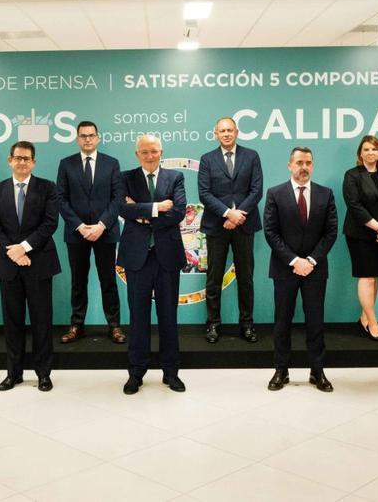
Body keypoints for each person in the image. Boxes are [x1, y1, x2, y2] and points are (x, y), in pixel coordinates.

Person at [263, 147, 338, 393]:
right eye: (298, 162)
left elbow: (330, 232)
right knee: (282, 322)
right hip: (285, 269)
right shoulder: (275, 193)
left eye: (308, 162)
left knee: (315, 322)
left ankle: (317, 371)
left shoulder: (326, 195)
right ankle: (280, 370)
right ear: (289, 165)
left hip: (315, 270)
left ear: (312, 166)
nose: (303, 167)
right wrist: (295, 261)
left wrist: (312, 261)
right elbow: (271, 232)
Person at [118, 135, 188, 395]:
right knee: (138, 317)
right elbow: (122, 209)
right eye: (145, 152)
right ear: (137, 154)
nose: (150, 156)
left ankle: (171, 372)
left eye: (154, 151)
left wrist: (143, 214)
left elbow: (179, 211)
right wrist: (158, 207)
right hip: (137, 256)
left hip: (166, 255)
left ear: (162, 152)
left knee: (168, 316)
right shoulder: (125, 178)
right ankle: (136, 372)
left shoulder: (175, 177)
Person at [0, 142, 61, 392]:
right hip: (9, 265)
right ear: (10, 160)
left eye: (27, 158)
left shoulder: (47, 188)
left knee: (42, 321)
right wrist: (14, 252)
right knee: (12, 322)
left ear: (34, 162)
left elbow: (50, 223)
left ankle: (43, 373)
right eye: (18, 158)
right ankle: (14, 373)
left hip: (39, 262)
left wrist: (25, 247)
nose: (22, 162)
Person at [56, 121, 126, 345]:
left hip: (105, 232)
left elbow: (117, 199)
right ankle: (77, 325)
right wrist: (80, 226)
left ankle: (114, 325)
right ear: (77, 138)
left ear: (98, 138)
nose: (87, 139)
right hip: (77, 233)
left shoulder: (111, 163)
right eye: (83, 136)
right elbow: (61, 199)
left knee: (108, 281)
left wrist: (101, 225)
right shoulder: (66, 164)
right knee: (78, 281)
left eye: (91, 135)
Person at [197, 117, 263, 344]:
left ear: (237, 132)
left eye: (230, 130)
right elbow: (204, 193)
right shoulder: (207, 159)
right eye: (222, 130)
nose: (226, 134)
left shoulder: (251, 156)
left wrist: (237, 216)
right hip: (217, 226)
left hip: (244, 225)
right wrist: (227, 214)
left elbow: (256, 190)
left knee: (246, 277)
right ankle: (213, 324)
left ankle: (247, 324)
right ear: (215, 133)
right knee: (214, 278)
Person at [342, 135, 378, 341]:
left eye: (374, 149)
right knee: (366, 276)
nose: (370, 153)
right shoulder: (352, 175)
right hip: (360, 234)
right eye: (366, 149)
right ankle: (373, 323)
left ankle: (364, 317)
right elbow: (354, 205)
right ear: (360, 153)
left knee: (375, 277)